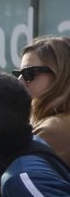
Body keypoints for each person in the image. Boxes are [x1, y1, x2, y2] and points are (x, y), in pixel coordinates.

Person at [20, 36, 70, 164]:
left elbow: (17, 181)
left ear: (60, 74)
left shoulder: (52, 129)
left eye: (29, 73)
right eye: (18, 74)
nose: (20, 80)